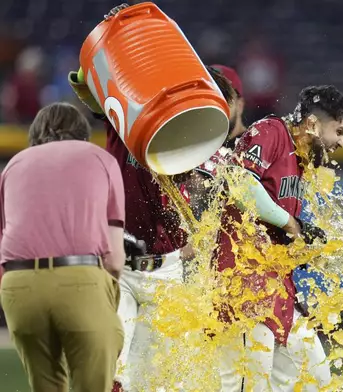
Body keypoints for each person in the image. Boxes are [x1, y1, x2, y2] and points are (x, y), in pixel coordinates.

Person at [68, 61, 238, 392]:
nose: (215, 129)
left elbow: (212, 210)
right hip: (120, 266)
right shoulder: (133, 117)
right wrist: (109, 52)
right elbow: (87, 85)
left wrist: (195, 240)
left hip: (169, 272)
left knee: (160, 376)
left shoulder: (209, 156)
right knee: (113, 368)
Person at [207, 85, 343, 391]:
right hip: (243, 280)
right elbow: (240, 183)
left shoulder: (302, 160)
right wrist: (291, 224)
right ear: (313, 124)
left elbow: (274, 221)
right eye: (338, 131)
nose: (341, 142)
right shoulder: (272, 130)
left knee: (315, 380)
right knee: (250, 385)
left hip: (275, 284)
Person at [0, 102, 125, 391]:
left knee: (45, 385)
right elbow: (115, 260)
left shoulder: (13, 165)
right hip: (80, 279)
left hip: (19, 288)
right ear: (82, 132)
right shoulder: (101, 158)